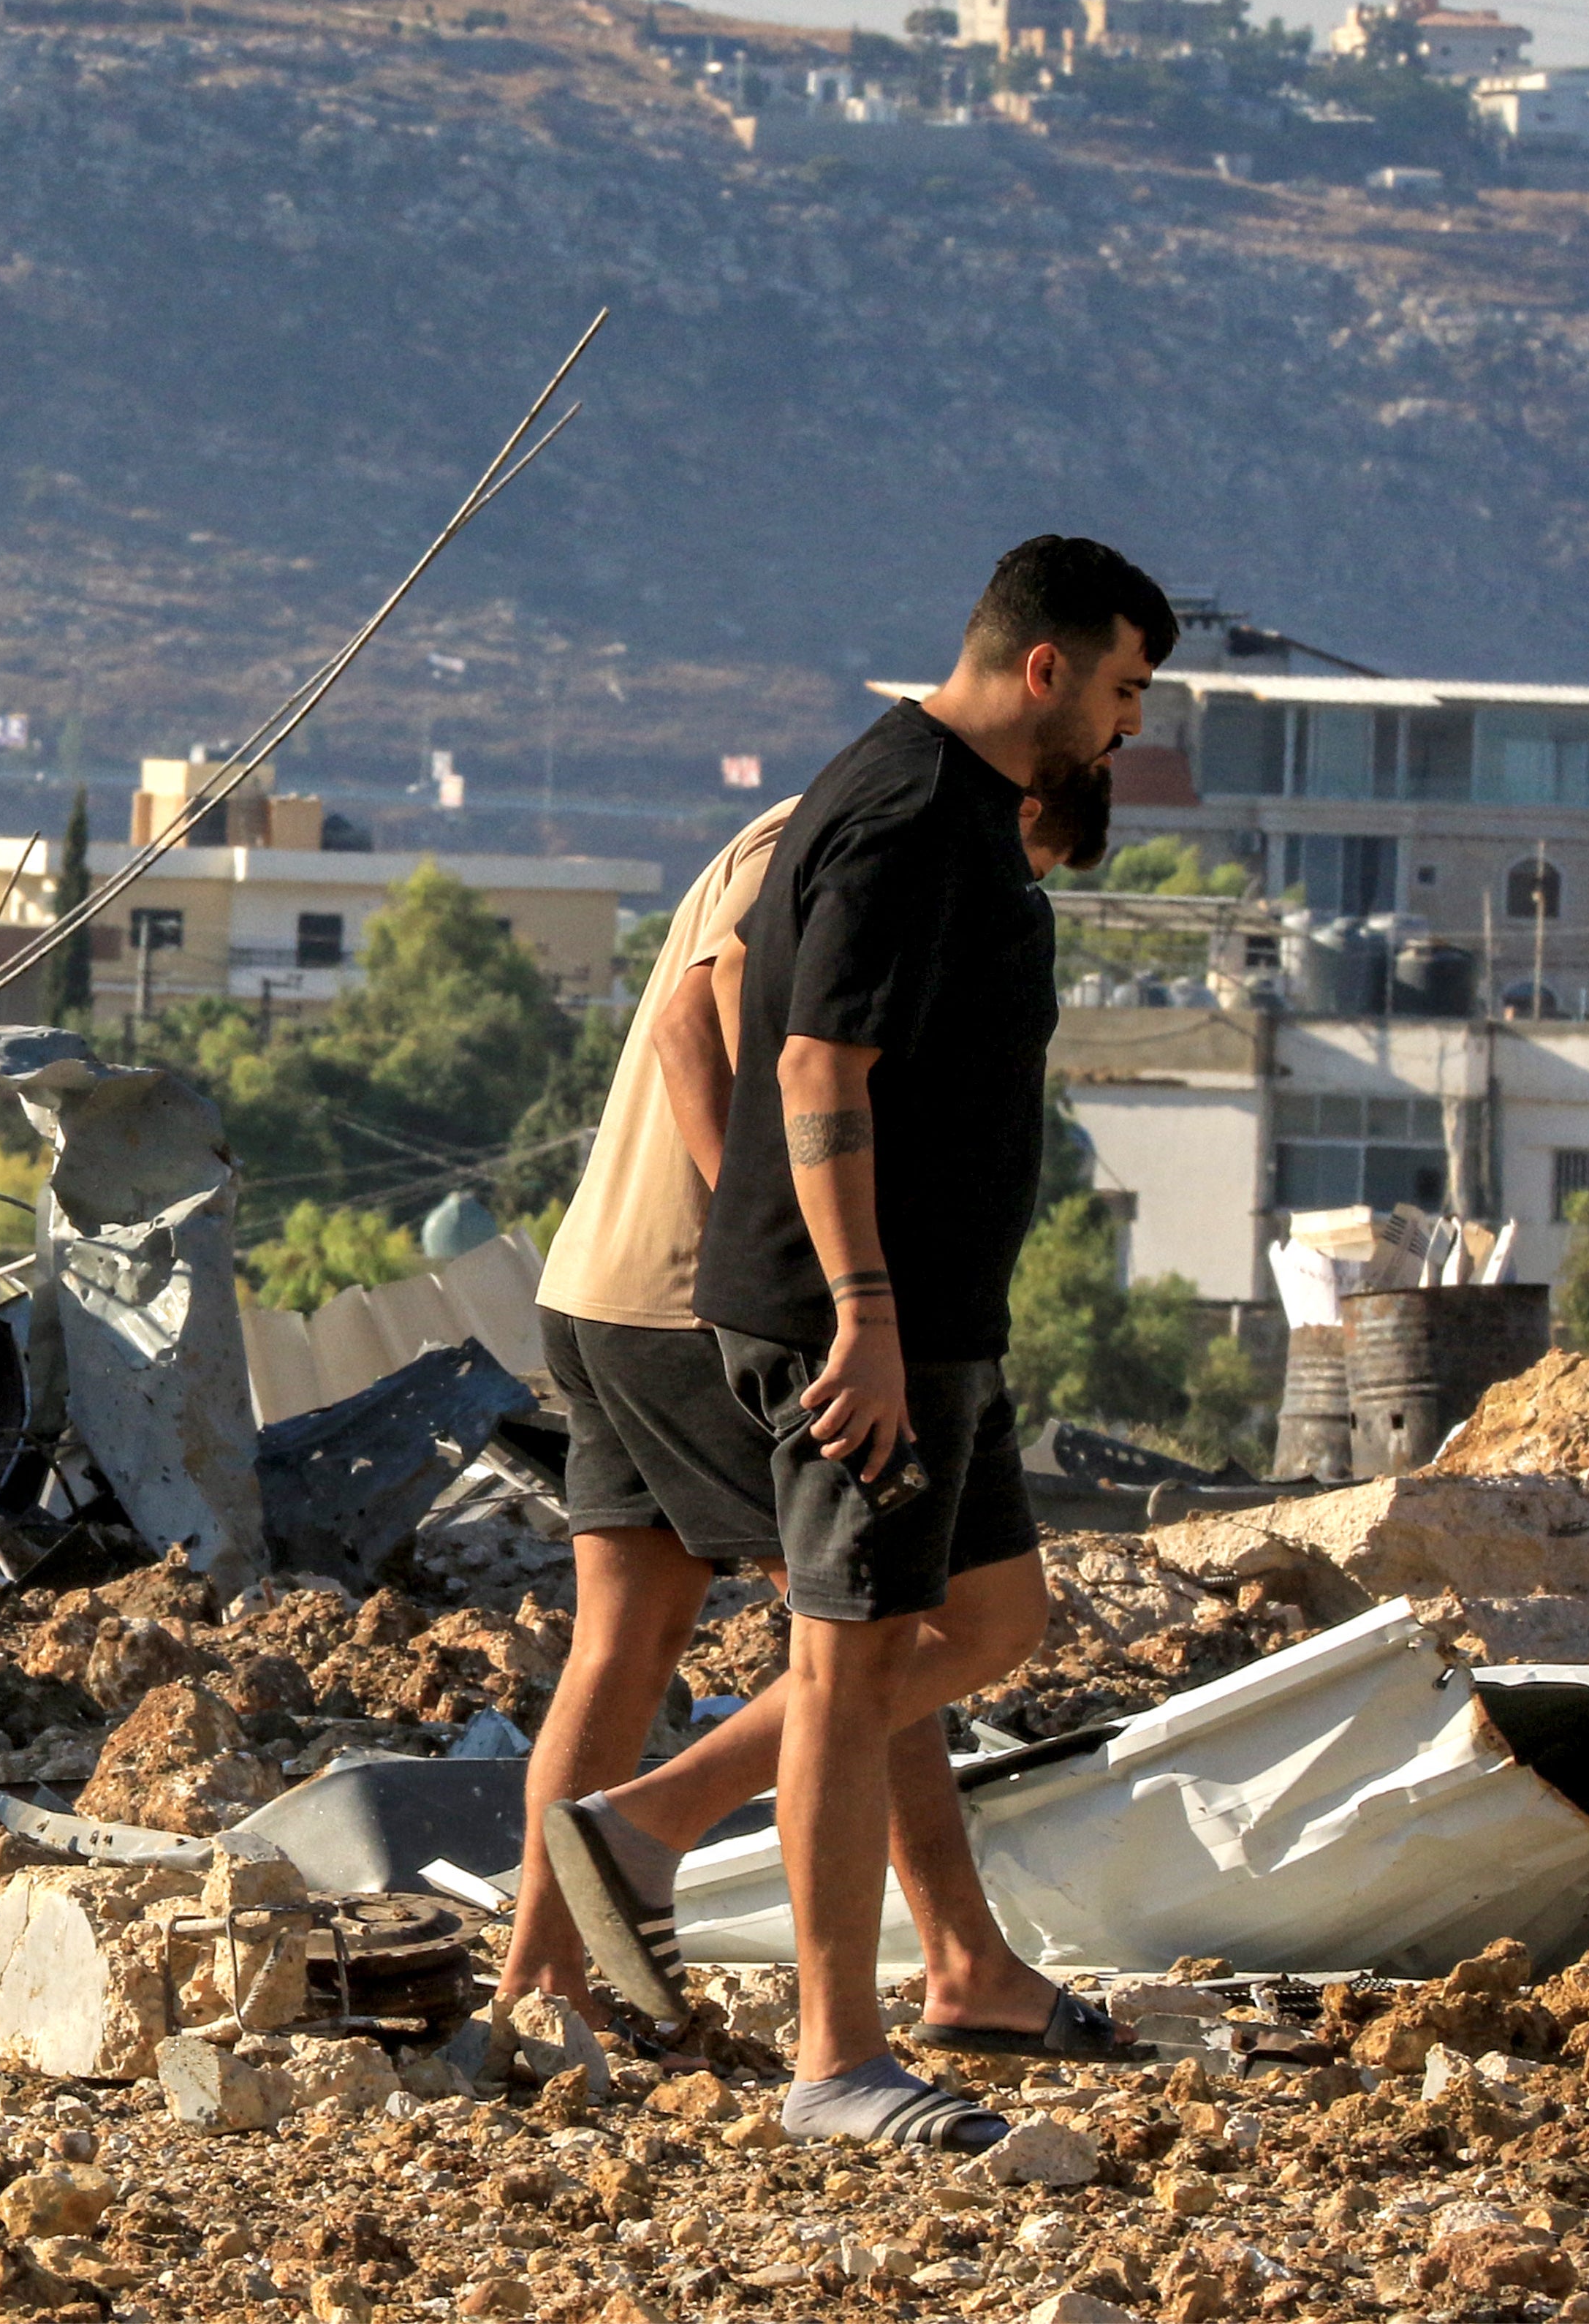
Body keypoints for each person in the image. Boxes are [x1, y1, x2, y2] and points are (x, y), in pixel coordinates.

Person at [545, 534, 1172, 2151]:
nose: (1125, 730)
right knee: (841, 1661)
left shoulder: (948, 815)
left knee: (981, 1617)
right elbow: (809, 1064)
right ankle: (837, 2052)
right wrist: (860, 1309)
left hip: (918, 1316)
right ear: (1045, 667)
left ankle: (651, 1838)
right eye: (1120, 691)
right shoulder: (898, 814)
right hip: (838, 1317)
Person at [491, 768, 1109, 2053]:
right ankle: (916, 1950)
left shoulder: (806, 822)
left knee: (636, 1644)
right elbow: (689, 1025)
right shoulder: (866, 842)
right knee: (873, 1633)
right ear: (1030, 812)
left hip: (601, 1281)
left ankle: (538, 2003)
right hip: (686, 1299)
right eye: (1029, 874)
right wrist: (771, 1262)